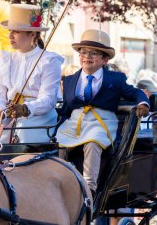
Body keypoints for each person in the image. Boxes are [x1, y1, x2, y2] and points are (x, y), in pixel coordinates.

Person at [56, 29, 150, 195]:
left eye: (94, 53)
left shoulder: (115, 79)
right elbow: (66, 109)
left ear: (105, 60)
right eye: (83, 52)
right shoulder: (69, 81)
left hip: (102, 122)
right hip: (76, 121)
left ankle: (89, 189)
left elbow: (135, 92)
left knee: (93, 141)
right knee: (61, 142)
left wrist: (143, 103)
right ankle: (64, 181)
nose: (87, 57)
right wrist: (59, 125)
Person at [0, 3, 64, 144]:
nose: (10, 36)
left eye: (16, 32)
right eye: (10, 31)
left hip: (38, 115)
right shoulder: (7, 60)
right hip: (9, 112)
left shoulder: (49, 61)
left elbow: (49, 98)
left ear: (32, 34)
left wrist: (26, 109)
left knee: (24, 129)